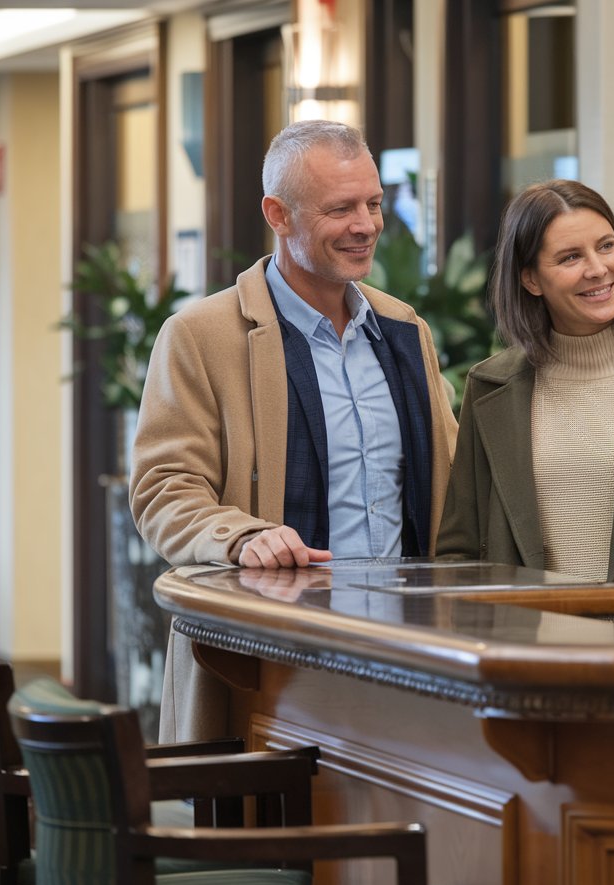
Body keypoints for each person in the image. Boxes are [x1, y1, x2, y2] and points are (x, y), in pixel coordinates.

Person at [130, 120, 458, 741]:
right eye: (341, 208)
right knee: (272, 831)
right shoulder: (201, 336)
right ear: (277, 214)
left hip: (407, 657)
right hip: (273, 662)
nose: (366, 224)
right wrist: (241, 536)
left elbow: (452, 481)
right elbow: (163, 489)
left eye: (374, 203)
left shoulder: (405, 330)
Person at [436, 180, 614, 625]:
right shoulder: (490, 388)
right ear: (530, 279)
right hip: (527, 657)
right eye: (570, 257)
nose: (598, 269)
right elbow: (458, 553)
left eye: (606, 246)